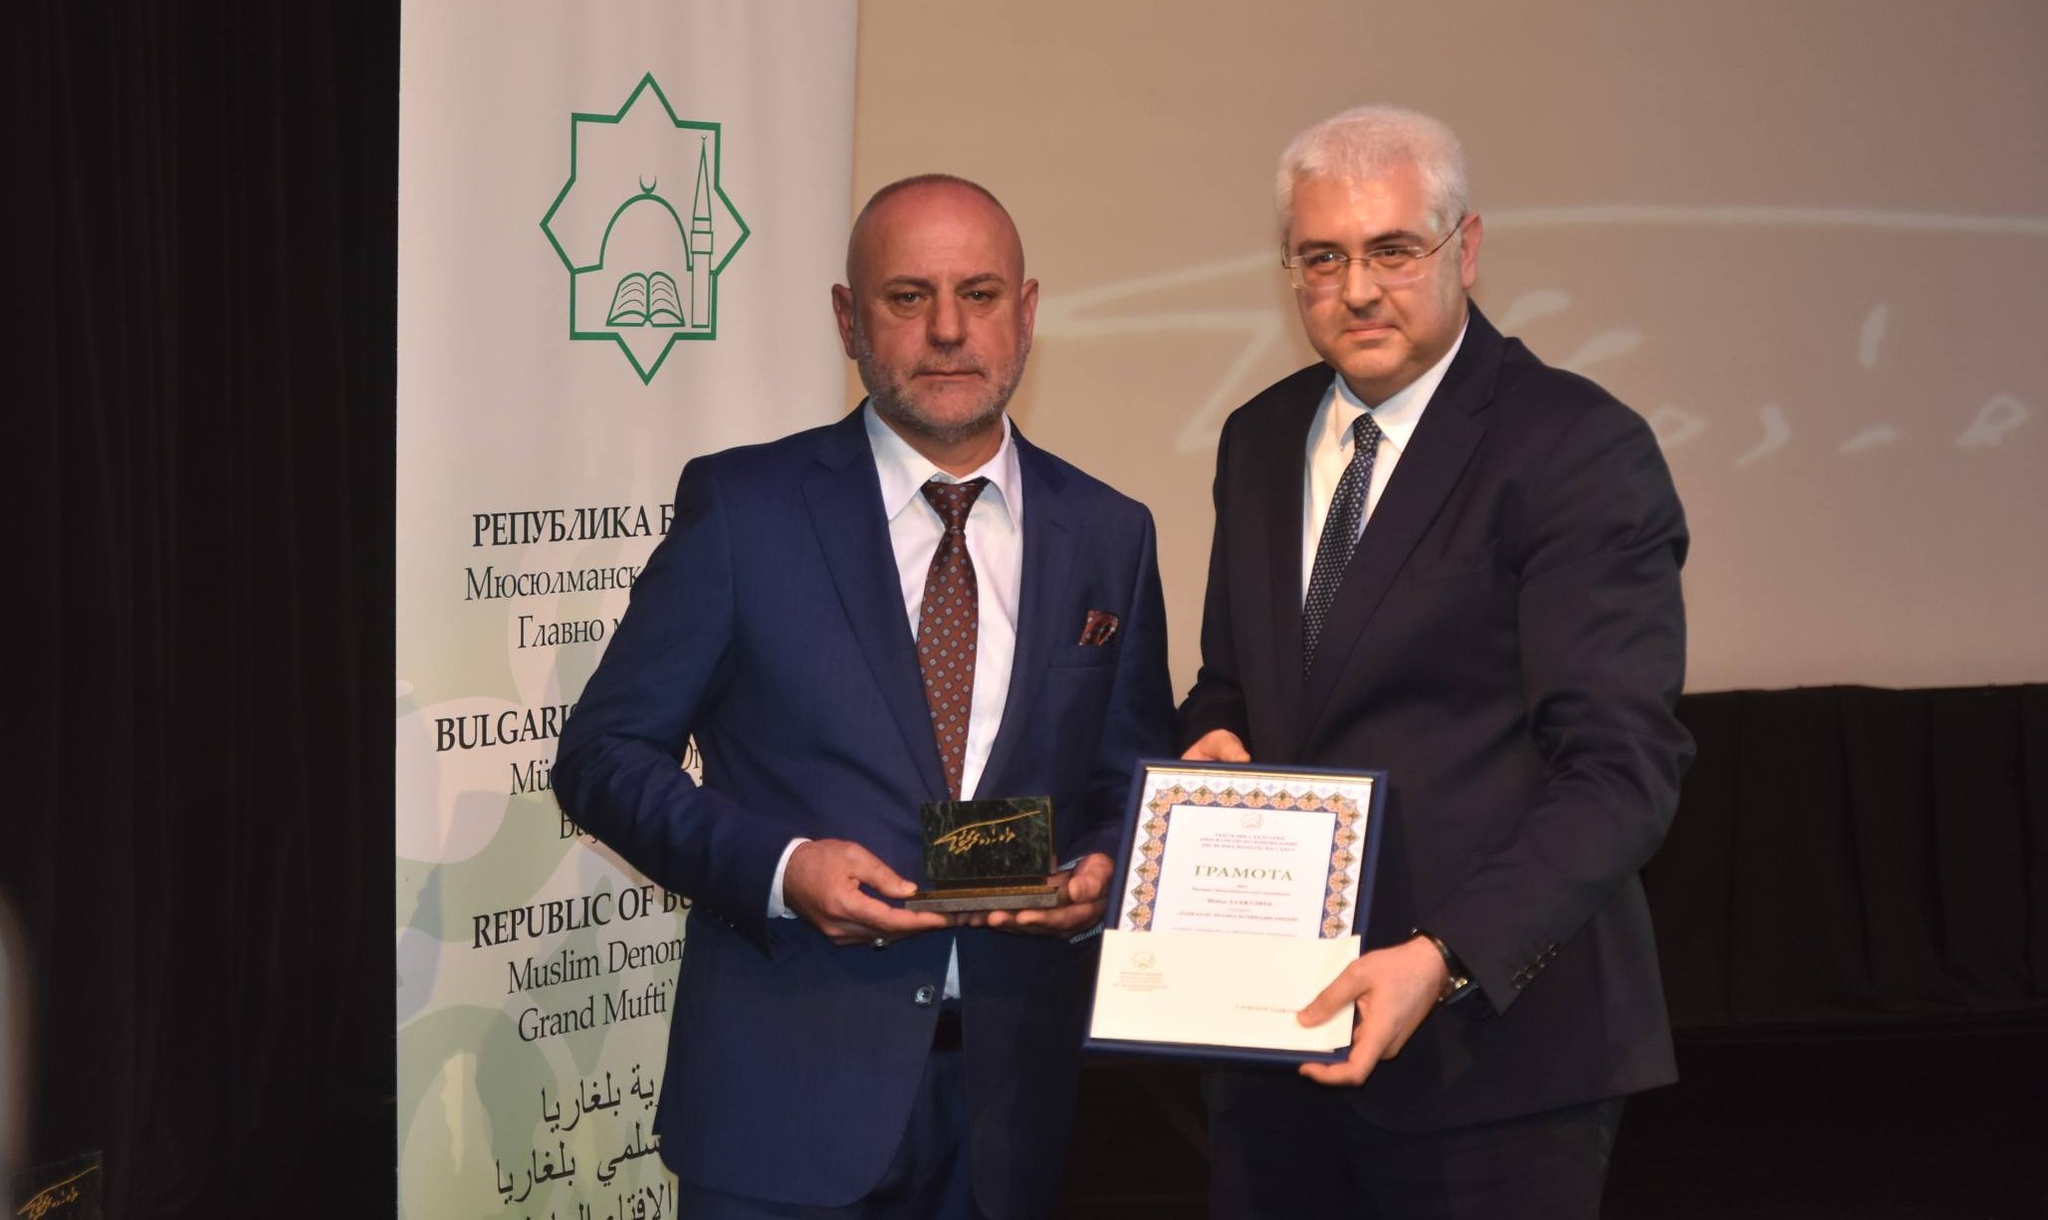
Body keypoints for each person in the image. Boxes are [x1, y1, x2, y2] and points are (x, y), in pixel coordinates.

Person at [552, 174, 1174, 1220]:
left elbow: (1128, 776)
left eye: (979, 295)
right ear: (849, 319)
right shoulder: (744, 510)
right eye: (906, 297)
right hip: (780, 1107)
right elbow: (603, 755)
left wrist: (1104, 874)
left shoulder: (1111, 532)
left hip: (1009, 1116)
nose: (947, 329)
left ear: (1025, 314)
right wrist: (780, 869)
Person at [1180, 105, 1692, 1218]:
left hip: (1495, 1059)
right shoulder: (1257, 438)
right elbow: (1238, 683)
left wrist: (1445, 955)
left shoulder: (1575, 447)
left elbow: (1620, 771)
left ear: (1464, 250)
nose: (1357, 289)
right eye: (1322, 258)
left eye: (1393, 251)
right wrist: (1210, 744)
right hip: (1276, 1045)